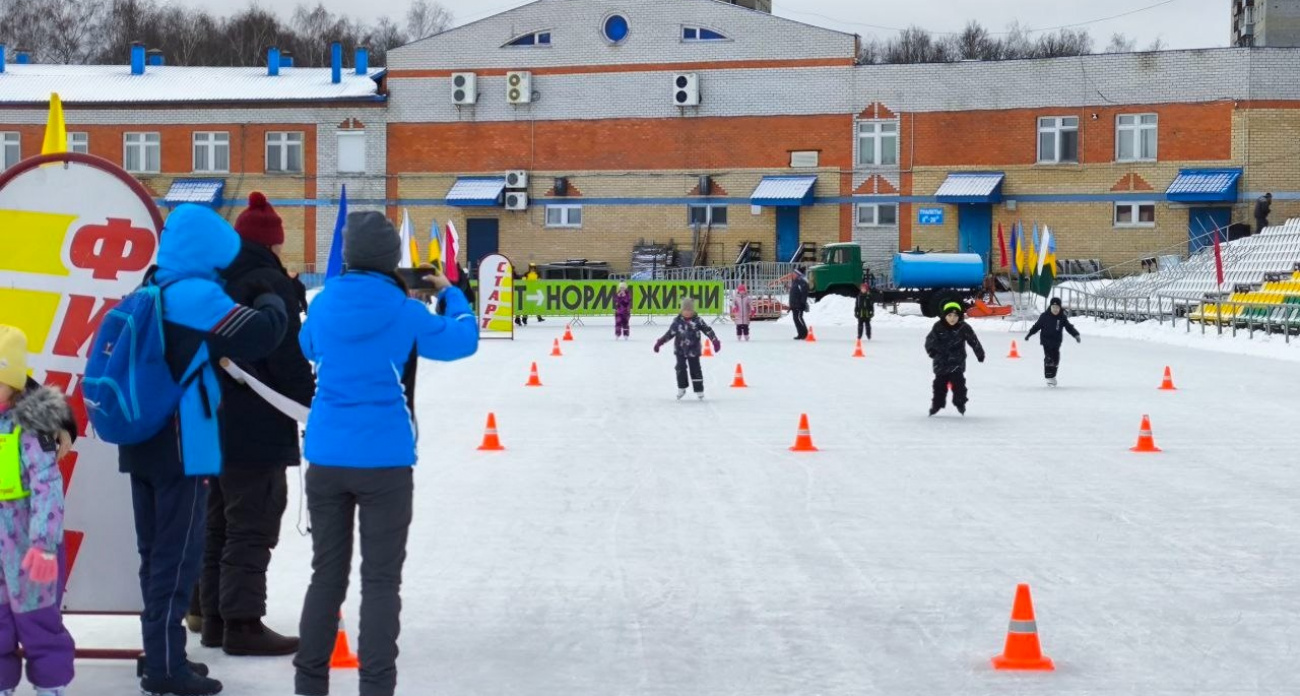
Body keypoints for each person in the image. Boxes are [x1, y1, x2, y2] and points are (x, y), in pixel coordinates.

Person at [295, 211, 478, 696]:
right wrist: (450, 293)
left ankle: (308, 685)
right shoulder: (405, 311)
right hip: (386, 461)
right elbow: (464, 340)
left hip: (328, 457)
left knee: (325, 578)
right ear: (392, 262)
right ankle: (376, 687)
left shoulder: (323, 305)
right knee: (380, 583)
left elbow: (307, 345)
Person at [118, 204, 289, 696]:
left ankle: (162, 652)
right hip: (181, 445)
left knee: (155, 555)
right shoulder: (196, 295)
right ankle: (165, 668)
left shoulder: (150, 285)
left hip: (142, 442)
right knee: (176, 557)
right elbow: (261, 336)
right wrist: (271, 298)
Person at [201, 193, 315, 657]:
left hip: (214, 417)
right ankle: (244, 625)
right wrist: (310, 403)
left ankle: (213, 620)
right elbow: (284, 354)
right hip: (258, 422)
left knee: (219, 522)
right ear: (272, 243)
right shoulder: (268, 282)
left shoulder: (217, 279)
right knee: (253, 522)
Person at [0, 326, 76, 696]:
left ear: (13, 385)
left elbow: (47, 487)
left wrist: (44, 544)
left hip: (29, 551)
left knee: (38, 622)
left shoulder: (29, 429)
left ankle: (51, 684)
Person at [925, 302, 985, 416]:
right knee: (939, 386)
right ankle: (936, 405)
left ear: (960, 317)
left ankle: (960, 403)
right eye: (949, 316)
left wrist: (979, 353)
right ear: (944, 316)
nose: (952, 319)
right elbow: (930, 340)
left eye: (955, 316)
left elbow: (973, 340)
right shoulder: (938, 326)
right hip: (941, 363)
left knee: (959, 384)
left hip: (957, 362)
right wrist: (932, 350)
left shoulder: (963, 327)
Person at [653, 298, 720, 400]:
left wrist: (714, 341)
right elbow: (670, 334)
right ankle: (682, 387)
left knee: (696, 369)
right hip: (680, 350)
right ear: (682, 310)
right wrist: (660, 342)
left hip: (694, 350)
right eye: (685, 310)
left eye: (690, 310)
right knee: (680, 368)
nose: (687, 312)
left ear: (693, 310)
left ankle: (699, 390)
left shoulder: (698, 320)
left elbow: (708, 330)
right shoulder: (677, 321)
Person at [1024, 297, 1081, 388]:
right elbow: (1037, 326)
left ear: (1060, 308)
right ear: (1050, 307)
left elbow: (1069, 327)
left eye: (1057, 308)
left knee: (1056, 359)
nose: (1055, 310)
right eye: (1053, 307)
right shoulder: (1044, 316)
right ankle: (1048, 377)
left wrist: (1076, 335)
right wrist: (1029, 334)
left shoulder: (1062, 317)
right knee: (1049, 358)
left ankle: (1052, 376)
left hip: (1056, 342)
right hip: (1046, 341)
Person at [788, 269, 810, 340]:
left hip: (799, 304)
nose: (793, 275)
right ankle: (800, 334)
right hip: (794, 305)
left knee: (799, 318)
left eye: (794, 273)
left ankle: (805, 333)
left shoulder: (802, 282)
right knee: (796, 319)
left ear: (798, 274)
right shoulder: (795, 282)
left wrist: (802, 303)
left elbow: (804, 294)